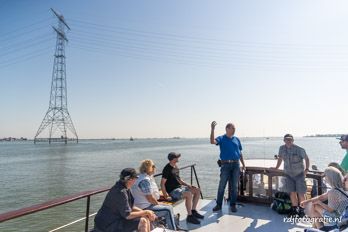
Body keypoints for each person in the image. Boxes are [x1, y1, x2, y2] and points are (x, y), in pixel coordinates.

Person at [94, 168, 156, 232]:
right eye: (136, 178)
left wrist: (147, 213)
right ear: (130, 180)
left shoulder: (124, 187)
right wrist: (146, 212)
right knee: (143, 221)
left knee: (145, 217)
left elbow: (130, 206)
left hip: (114, 219)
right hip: (108, 224)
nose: (136, 180)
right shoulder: (120, 192)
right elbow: (128, 215)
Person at [131, 159, 177, 230]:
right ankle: (173, 229)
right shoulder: (144, 181)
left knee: (165, 205)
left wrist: (159, 203)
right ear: (150, 168)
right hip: (144, 207)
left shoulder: (139, 177)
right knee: (168, 209)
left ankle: (165, 223)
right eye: (154, 166)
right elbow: (150, 198)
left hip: (139, 205)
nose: (155, 168)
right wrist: (158, 203)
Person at [210, 121, 246, 212]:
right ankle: (218, 205)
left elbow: (240, 153)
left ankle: (232, 205)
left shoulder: (237, 139)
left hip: (236, 165)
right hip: (225, 165)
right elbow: (212, 141)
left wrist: (243, 164)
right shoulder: (221, 138)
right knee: (222, 185)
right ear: (227, 129)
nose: (234, 130)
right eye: (232, 128)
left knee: (234, 186)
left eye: (234, 128)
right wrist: (212, 129)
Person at [272, 134, 310, 217]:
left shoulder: (299, 149)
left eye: (290, 139)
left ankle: (302, 210)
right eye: (286, 139)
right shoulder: (281, 148)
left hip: (299, 174)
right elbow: (280, 159)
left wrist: (306, 169)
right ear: (284, 140)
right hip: (288, 174)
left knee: (301, 193)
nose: (288, 141)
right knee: (292, 193)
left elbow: (307, 159)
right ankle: (294, 209)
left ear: (293, 140)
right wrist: (276, 168)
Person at [161, 152, 204, 225]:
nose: (178, 158)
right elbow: (162, 183)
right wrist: (166, 196)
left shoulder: (176, 167)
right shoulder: (167, 169)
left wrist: (189, 185)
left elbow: (179, 180)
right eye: (177, 157)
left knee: (197, 190)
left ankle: (193, 211)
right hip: (173, 191)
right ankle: (189, 216)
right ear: (173, 159)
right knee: (188, 194)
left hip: (180, 188)